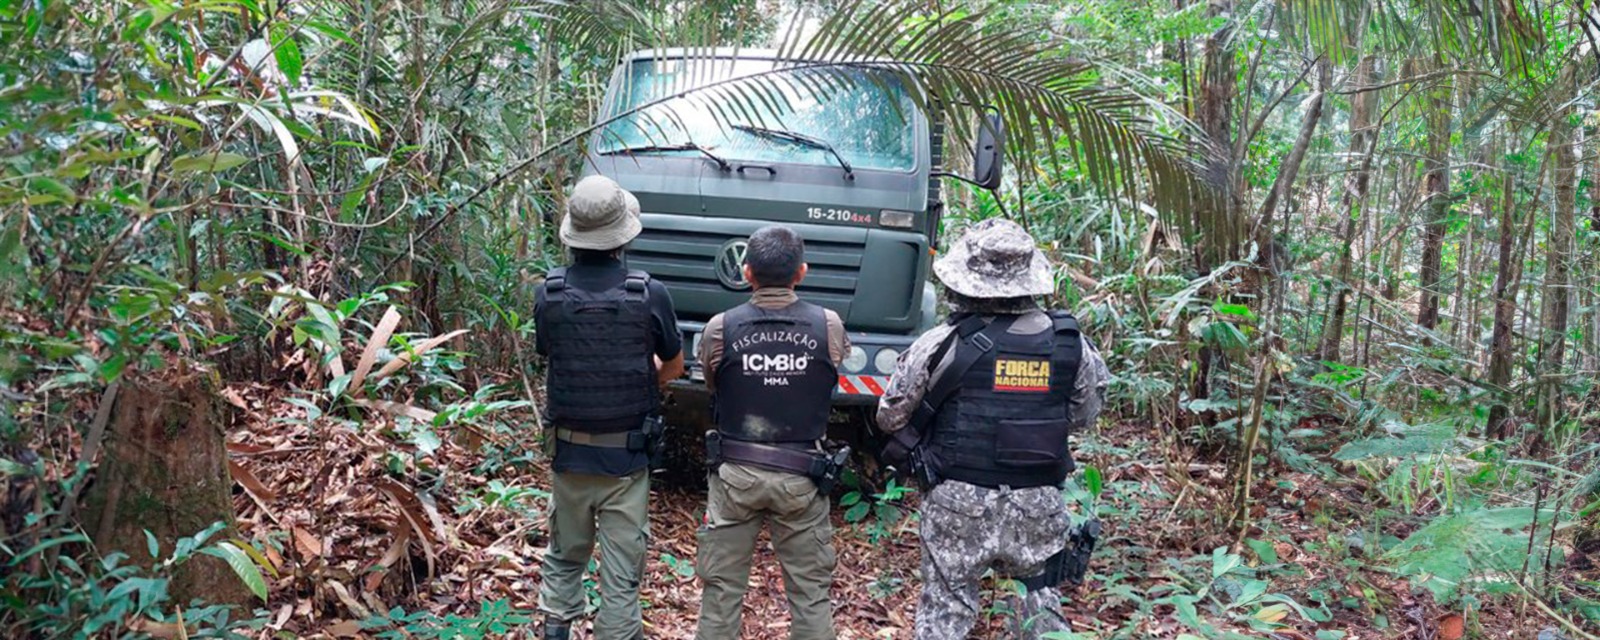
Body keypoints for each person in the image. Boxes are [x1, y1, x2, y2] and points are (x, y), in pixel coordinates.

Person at [875, 218, 1109, 640]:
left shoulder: (939, 343)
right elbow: (1081, 417)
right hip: (1037, 502)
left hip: (957, 501)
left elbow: (890, 417)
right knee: (1038, 609)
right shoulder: (1072, 344)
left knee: (946, 609)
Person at [534, 175, 685, 640]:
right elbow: (675, 366)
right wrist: (646, 376)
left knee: (565, 554)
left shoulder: (549, 293)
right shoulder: (649, 293)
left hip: (569, 455)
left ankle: (556, 628)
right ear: (623, 236)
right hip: (626, 458)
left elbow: (552, 355)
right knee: (621, 571)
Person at [693, 225, 850, 640]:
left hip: (736, 475)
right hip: (802, 475)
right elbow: (832, 373)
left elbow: (714, 382)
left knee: (721, 591)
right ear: (801, 272)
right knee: (810, 594)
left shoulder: (720, 327)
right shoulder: (827, 325)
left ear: (746, 273)